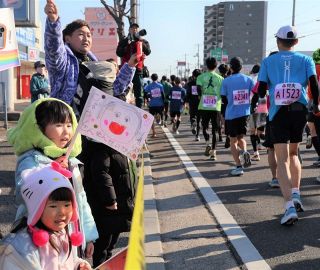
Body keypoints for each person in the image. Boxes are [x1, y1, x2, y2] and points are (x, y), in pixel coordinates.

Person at [7, 98, 98, 258]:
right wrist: (52, 171)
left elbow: (80, 200)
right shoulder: (31, 160)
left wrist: (88, 236)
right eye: (58, 125)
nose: (66, 131)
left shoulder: (71, 162)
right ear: (40, 129)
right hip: (40, 237)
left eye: (69, 125)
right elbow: (23, 194)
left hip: (70, 234)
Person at [257, 25, 319, 225]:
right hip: (299, 110)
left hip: (278, 112)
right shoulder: (306, 59)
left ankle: (289, 206)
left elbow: (261, 89)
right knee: (294, 153)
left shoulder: (268, 61)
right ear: (297, 42)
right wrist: (315, 105)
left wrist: (267, 93)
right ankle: (296, 193)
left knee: (282, 158)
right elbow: (313, 84)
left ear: (277, 41)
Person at [44, 0, 136, 112]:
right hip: (66, 123)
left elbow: (114, 89)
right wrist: (53, 22)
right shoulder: (63, 62)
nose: (86, 39)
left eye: (89, 35)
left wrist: (131, 65)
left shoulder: (95, 63)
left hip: (93, 125)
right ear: (67, 38)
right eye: (81, 34)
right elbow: (54, 49)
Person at [0, 164, 92, 270]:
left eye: (67, 205)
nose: (62, 212)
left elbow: (66, 262)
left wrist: (78, 265)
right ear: (37, 209)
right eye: (53, 206)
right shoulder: (21, 249)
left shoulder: (62, 233)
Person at [221, 57, 254, 175]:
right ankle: (245, 151)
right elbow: (254, 93)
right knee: (241, 138)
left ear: (231, 67)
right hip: (244, 113)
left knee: (233, 141)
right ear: (241, 67)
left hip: (231, 114)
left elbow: (223, 98)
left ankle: (239, 166)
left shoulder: (226, 81)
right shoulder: (249, 79)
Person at [116, 23, 151, 108]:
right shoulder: (124, 40)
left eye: (136, 28)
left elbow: (148, 52)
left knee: (138, 94)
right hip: (126, 70)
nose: (134, 30)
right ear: (129, 30)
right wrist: (126, 42)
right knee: (123, 91)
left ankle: (139, 110)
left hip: (138, 70)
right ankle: (122, 109)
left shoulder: (143, 41)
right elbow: (118, 53)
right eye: (132, 28)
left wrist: (140, 41)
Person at [197, 57, 223, 160]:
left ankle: (207, 142)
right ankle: (214, 152)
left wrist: (202, 96)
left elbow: (198, 90)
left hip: (204, 105)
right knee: (215, 130)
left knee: (204, 127)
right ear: (216, 66)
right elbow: (223, 93)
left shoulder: (200, 77)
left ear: (206, 66)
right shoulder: (221, 79)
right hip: (216, 106)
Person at [144, 73, 165, 137]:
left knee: (151, 119)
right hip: (160, 103)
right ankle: (158, 115)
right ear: (157, 78)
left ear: (151, 78)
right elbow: (163, 95)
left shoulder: (149, 86)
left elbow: (145, 93)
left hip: (152, 104)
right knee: (160, 114)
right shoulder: (160, 86)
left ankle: (154, 133)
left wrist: (147, 100)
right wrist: (164, 103)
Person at [186, 69, 202, 141]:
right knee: (199, 119)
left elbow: (188, 94)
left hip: (192, 103)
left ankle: (193, 123)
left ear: (193, 75)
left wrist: (186, 101)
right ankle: (197, 136)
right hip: (200, 102)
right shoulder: (202, 83)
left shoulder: (190, 83)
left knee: (192, 116)